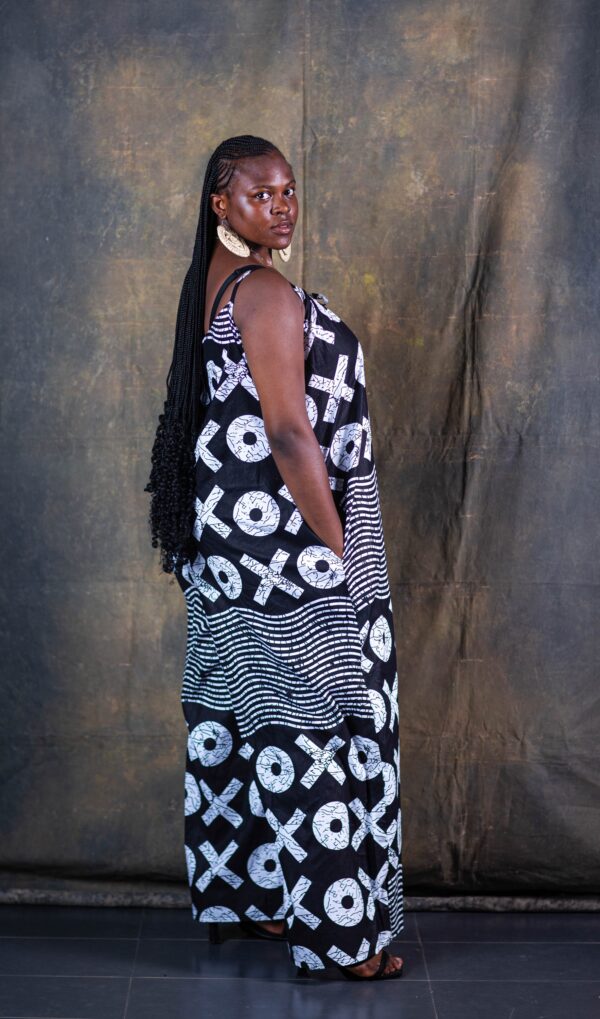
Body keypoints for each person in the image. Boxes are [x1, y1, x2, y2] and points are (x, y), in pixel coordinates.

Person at [145, 134, 404, 981]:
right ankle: (342, 939)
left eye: (288, 191)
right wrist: (338, 542)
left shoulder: (213, 281)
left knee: (237, 719)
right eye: (262, 195)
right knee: (309, 731)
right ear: (220, 203)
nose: (282, 207)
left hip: (226, 538)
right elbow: (291, 434)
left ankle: (252, 897)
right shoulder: (263, 293)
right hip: (284, 542)